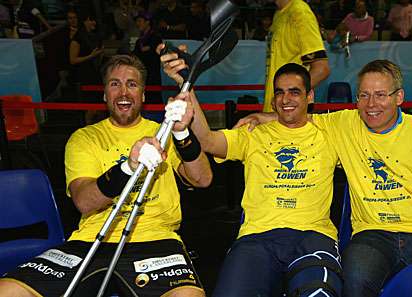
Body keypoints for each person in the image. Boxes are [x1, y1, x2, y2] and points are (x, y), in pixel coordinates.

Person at [235, 59, 412, 297]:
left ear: (399, 97)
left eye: (381, 95)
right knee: (353, 283)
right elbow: (299, 116)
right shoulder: (346, 123)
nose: (371, 104)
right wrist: (263, 117)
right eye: (364, 95)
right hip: (373, 235)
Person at [0, 54, 212, 297]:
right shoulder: (84, 138)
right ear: (104, 95)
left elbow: (202, 179)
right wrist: (128, 168)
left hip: (155, 242)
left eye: (132, 84)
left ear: (143, 95)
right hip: (90, 241)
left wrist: (182, 133)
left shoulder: (162, 132)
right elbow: (84, 201)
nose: (123, 92)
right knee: (6, 290)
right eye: (115, 84)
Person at [160, 47, 343, 297]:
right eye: (279, 92)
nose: (285, 99)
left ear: (310, 96)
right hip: (257, 239)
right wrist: (186, 84)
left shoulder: (332, 133)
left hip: (312, 237)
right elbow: (207, 140)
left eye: (294, 92)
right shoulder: (253, 133)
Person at [263, 0, 330, 112]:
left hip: (288, 115)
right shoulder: (279, 14)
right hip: (277, 113)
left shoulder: (300, 12)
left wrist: (288, 98)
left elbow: (321, 69)